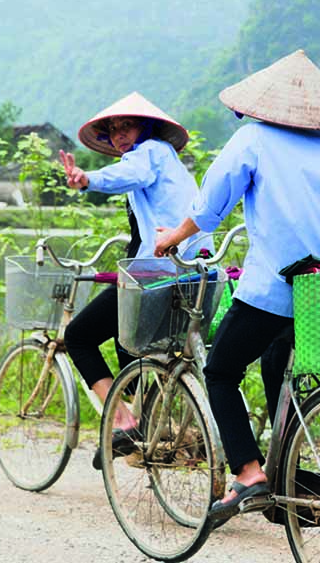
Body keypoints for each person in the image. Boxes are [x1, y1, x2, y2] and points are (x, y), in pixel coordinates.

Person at [153, 50, 320, 525]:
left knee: (222, 369)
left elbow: (210, 206)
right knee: (274, 362)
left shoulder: (253, 139)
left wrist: (173, 237)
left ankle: (249, 473)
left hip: (280, 285)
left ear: (259, 106)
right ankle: (286, 472)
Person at [61, 91, 206, 468]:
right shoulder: (170, 162)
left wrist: (85, 178)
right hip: (190, 269)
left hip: (160, 270)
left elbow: (129, 173)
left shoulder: (150, 154)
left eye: (127, 126)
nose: (120, 135)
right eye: (112, 130)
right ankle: (144, 420)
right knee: (129, 343)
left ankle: (126, 421)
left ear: (147, 128)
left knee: (78, 336)